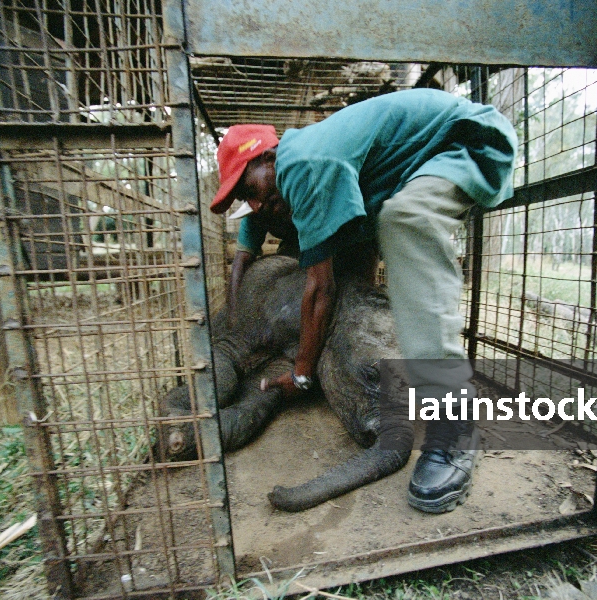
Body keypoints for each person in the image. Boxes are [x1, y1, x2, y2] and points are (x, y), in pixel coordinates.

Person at [210, 89, 517, 513]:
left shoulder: (304, 164)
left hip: (468, 142)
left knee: (407, 218)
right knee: (377, 222)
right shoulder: (305, 165)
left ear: (268, 158)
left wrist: (302, 373)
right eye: (247, 201)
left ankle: (455, 422)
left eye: (250, 189)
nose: (256, 205)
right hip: (425, 162)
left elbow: (321, 289)